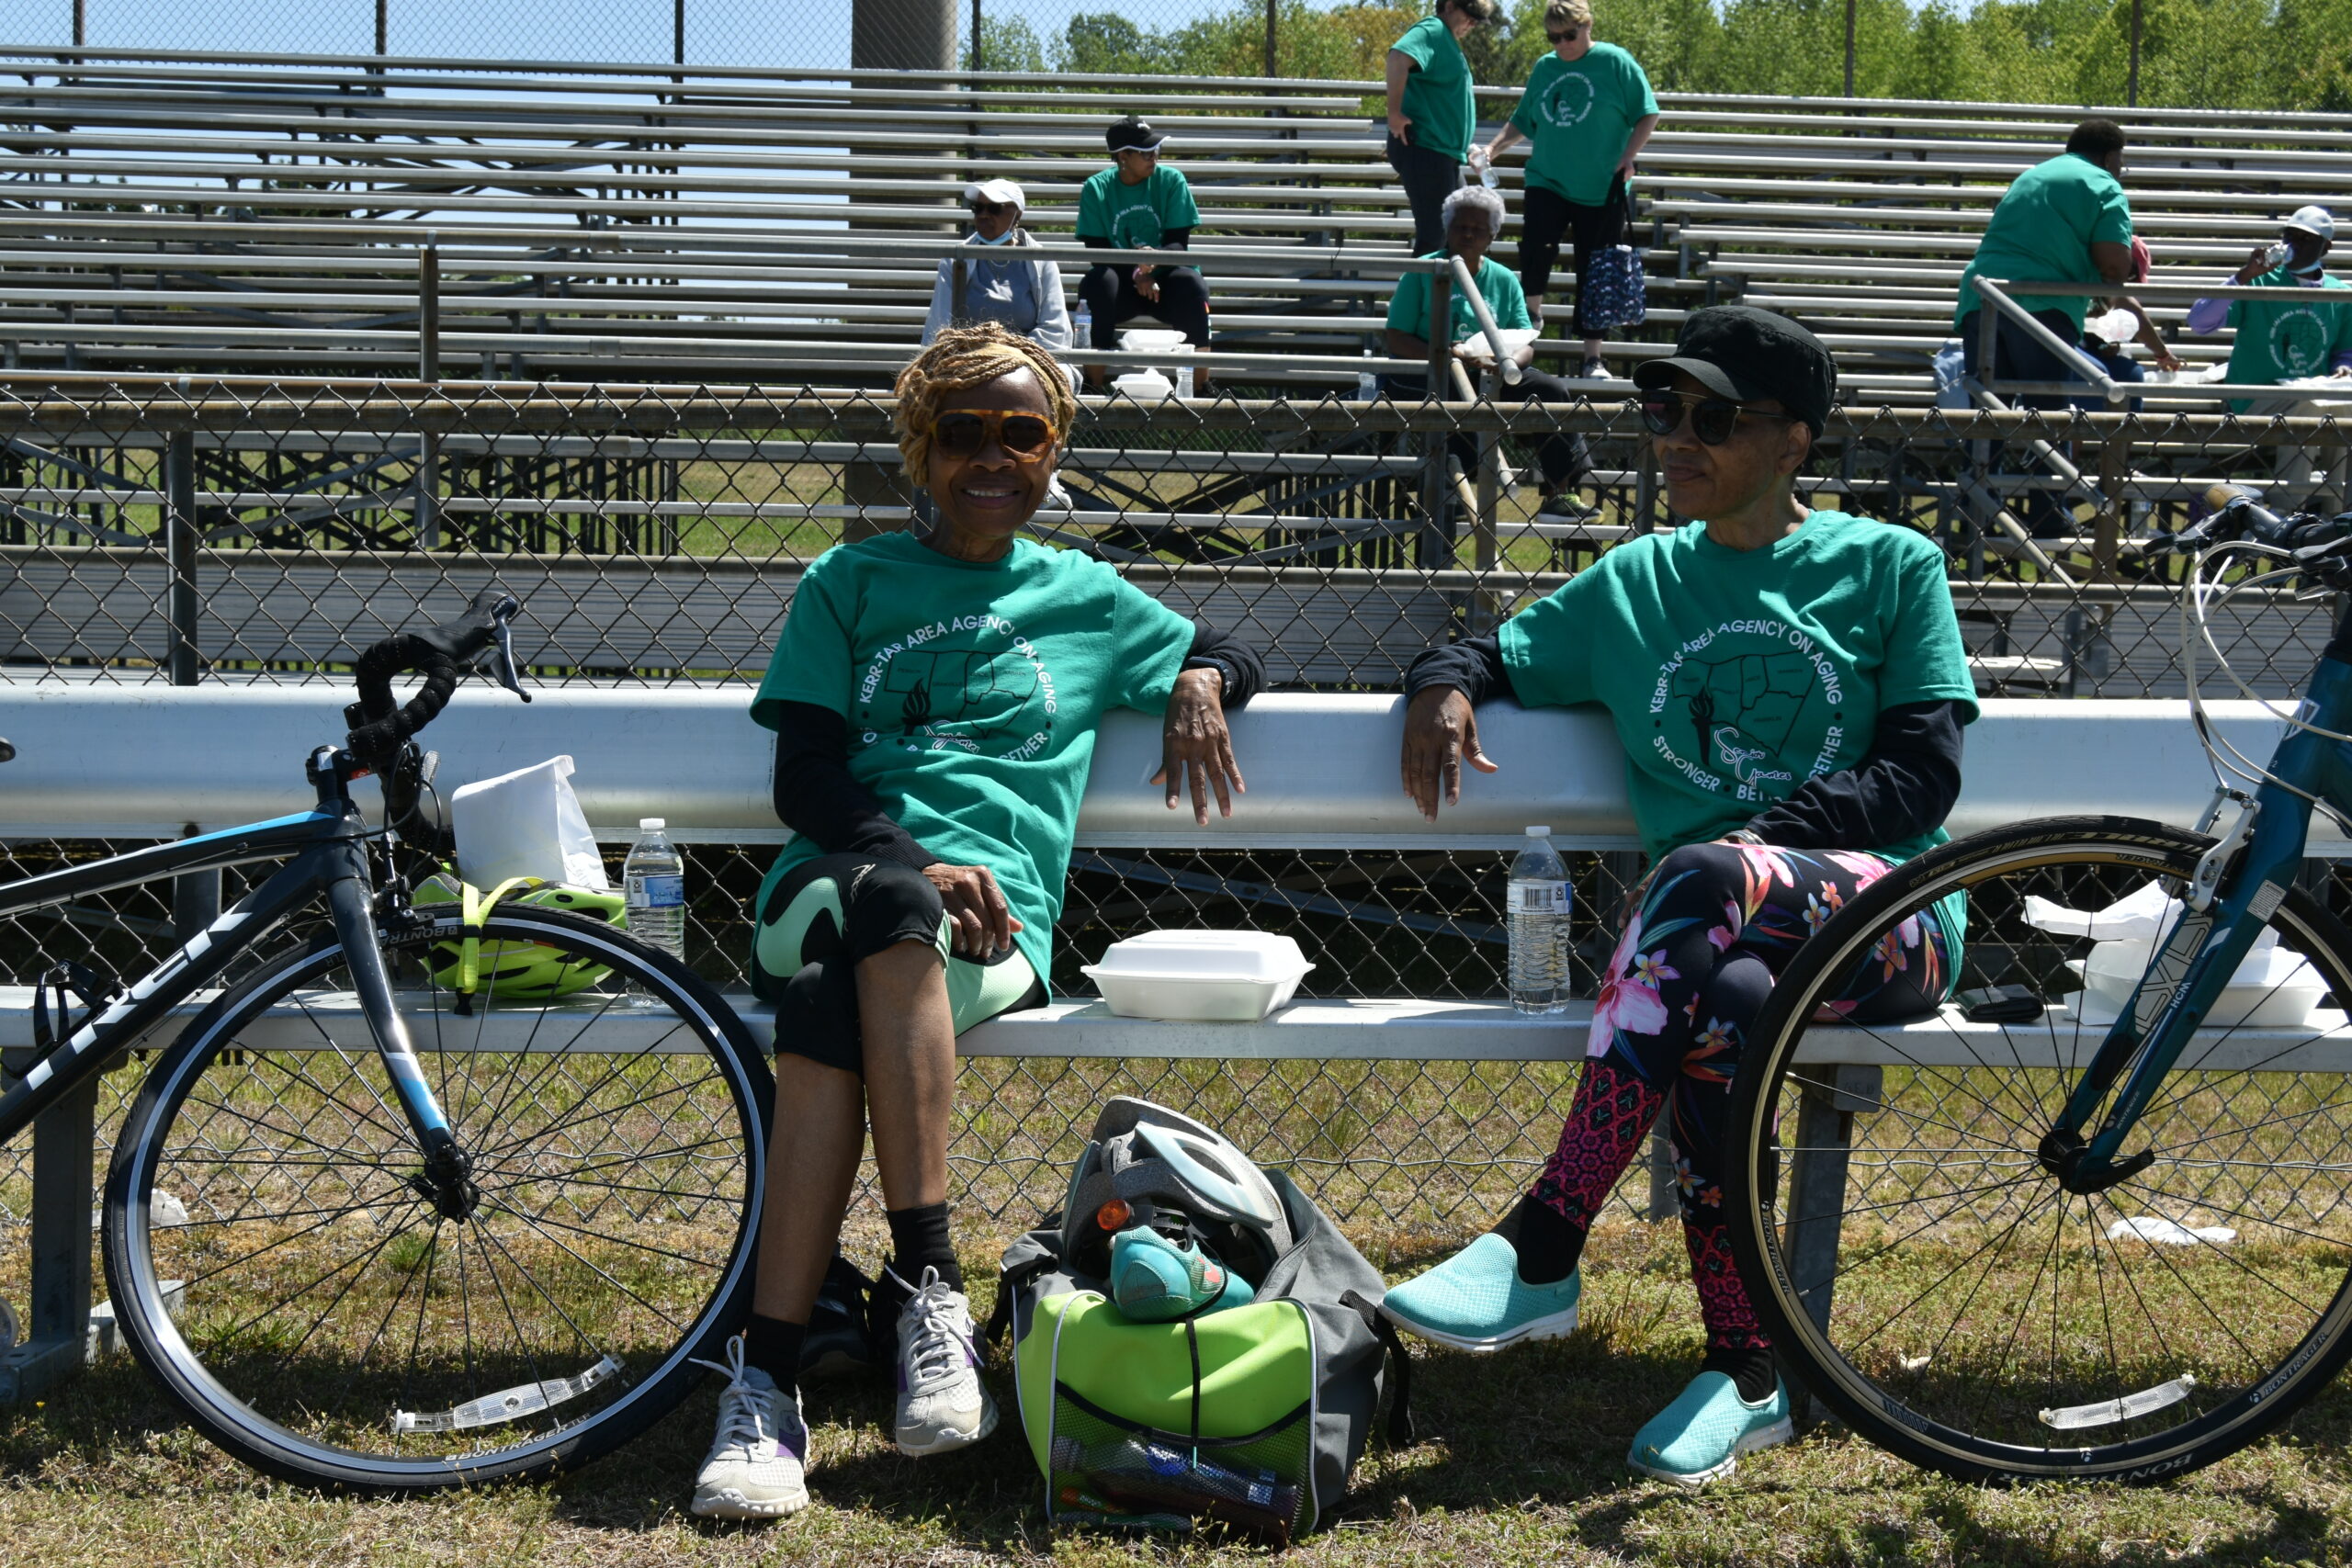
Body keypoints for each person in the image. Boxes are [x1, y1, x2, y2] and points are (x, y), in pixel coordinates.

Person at [1385, 305, 1978, 1488]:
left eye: (1713, 418)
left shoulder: (1887, 564)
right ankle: (1748, 1374)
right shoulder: (1635, 582)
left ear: (1794, 442)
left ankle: (1546, 1235)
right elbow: (1489, 652)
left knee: (1703, 874)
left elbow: (1923, 774)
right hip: (1712, 948)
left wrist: (1761, 843)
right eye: (1664, 412)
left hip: (1888, 919)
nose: (1676, 439)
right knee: (1733, 1009)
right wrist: (1441, 685)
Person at [694, 322, 1263, 1520]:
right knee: (890, 906)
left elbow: (1214, 644)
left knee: (822, 1013)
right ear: (921, 448)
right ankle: (930, 1286)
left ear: (1055, 447)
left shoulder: (1085, 595)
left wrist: (1207, 679)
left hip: (994, 935)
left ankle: (766, 1379)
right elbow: (806, 778)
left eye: (1025, 432)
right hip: (831, 885)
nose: (995, 457)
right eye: (965, 434)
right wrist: (917, 855)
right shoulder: (848, 583)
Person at [1953, 118, 2134, 534]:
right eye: (2120, 162)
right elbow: (2113, 264)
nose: (2121, 170)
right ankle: (2047, 514)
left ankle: (1973, 515)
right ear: (2109, 156)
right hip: (2044, 306)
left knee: (1989, 412)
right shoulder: (2104, 184)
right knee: (2045, 413)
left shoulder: (2031, 176)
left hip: (1984, 297)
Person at [1385, 185, 1597, 523]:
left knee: (1552, 391)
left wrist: (1506, 362)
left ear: (1492, 235)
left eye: (1478, 229)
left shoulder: (1504, 279)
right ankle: (1449, 489)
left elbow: (1527, 341)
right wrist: (1441, 354)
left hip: (1491, 370)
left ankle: (1559, 494)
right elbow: (1395, 337)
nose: (1468, 234)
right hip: (1430, 371)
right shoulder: (1423, 270)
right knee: (1457, 393)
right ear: (1447, 229)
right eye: (1460, 226)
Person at [1479, 0, 1657, 379]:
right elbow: (1523, 120)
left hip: (1603, 187)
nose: (1561, 44)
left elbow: (1647, 112)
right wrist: (1492, 148)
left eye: (1568, 35)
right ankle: (1532, 313)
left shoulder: (1614, 61)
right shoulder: (1546, 67)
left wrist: (1629, 157)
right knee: (1536, 244)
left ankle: (1593, 358)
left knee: (1594, 275)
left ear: (1587, 25)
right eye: (1553, 37)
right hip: (1548, 178)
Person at [2186, 206, 2352, 502]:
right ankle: (2290, 514)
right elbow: (2199, 322)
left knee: (2342, 411)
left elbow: (2344, 350)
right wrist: (2245, 274)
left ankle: (2338, 511)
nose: (2294, 245)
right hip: (2255, 398)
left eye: (2306, 239)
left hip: (2313, 396)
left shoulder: (2339, 293)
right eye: (2290, 237)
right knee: (2310, 410)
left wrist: (2344, 367)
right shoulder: (2260, 280)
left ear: (2326, 247)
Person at [1076, 115, 1210, 395]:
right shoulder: (1096, 188)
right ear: (1123, 156)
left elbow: (1178, 246)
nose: (1154, 156)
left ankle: (1200, 388)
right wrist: (1138, 273)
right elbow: (1097, 252)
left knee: (1191, 282)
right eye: (1146, 151)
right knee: (1097, 283)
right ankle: (1092, 386)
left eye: (1156, 149)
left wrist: (1152, 264)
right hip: (1122, 288)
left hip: (1166, 285)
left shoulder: (1171, 179)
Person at [922, 178, 1072, 367]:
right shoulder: (954, 261)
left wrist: (1014, 356)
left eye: (994, 208)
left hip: (1028, 362)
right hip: (967, 359)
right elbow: (939, 326)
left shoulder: (1043, 261)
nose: (983, 215)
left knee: (1062, 375)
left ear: (1017, 215)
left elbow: (1055, 328)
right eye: (978, 208)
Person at [1386, 0, 1497, 256]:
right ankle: (1416, 296)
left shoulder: (1446, 39)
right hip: (1425, 148)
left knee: (1458, 229)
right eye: (1469, 16)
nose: (1472, 24)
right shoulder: (1433, 29)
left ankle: (1445, 296)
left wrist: (1465, 145)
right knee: (1435, 234)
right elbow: (1398, 57)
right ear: (1448, 5)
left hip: (1443, 151)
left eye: (1476, 20)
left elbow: (1441, 103)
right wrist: (1394, 114)